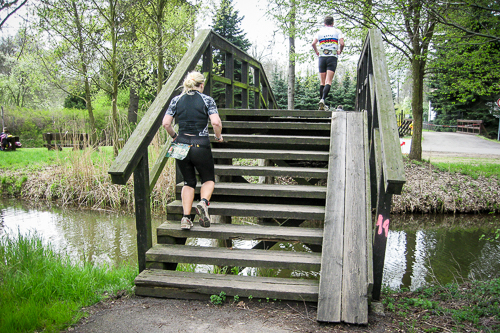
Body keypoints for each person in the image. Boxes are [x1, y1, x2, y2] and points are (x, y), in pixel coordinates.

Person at [162, 71, 223, 230]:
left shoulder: (176, 100)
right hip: (200, 144)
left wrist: (175, 136)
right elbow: (215, 123)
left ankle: (186, 219)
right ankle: (203, 203)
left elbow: (166, 124)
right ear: (201, 85)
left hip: (180, 144)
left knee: (188, 182)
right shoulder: (207, 100)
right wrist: (218, 137)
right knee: (208, 179)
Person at [311, 16, 345, 111]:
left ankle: (321, 104)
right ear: (333, 23)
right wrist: (340, 51)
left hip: (322, 57)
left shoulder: (320, 32)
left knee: (322, 82)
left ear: (324, 23)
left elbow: (313, 43)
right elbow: (342, 44)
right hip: (332, 57)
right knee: (328, 81)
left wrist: (317, 52)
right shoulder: (337, 31)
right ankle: (322, 99)